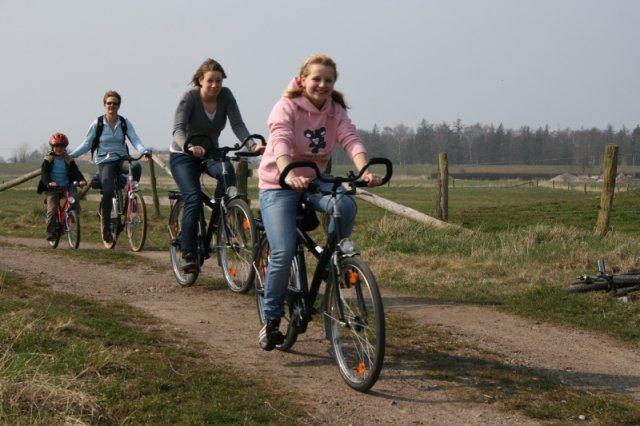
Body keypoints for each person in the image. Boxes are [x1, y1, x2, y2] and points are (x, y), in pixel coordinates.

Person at [257, 53, 385, 351]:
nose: (322, 85)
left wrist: (365, 170)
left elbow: (350, 139)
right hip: (278, 184)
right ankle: (271, 320)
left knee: (346, 204)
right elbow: (281, 141)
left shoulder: (334, 110)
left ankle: (332, 261)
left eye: (329, 80)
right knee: (283, 251)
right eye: (316, 79)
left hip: (315, 179)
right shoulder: (286, 106)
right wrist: (288, 173)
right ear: (303, 80)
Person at [169, 57, 263, 273]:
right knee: (193, 198)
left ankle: (222, 217)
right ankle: (189, 254)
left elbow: (237, 124)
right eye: (210, 81)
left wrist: (252, 145)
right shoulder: (190, 98)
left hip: (211, 152)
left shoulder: (226, 96)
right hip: (183, 154)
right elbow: (178, 129)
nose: (214, 85)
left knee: (227, 172)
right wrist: (188, 147)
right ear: (200, 80)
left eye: (218, 81)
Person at [70, 90, 151, 243]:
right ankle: (106, 228)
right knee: (108, 191)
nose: (112, 106)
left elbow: (135, 139)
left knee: (136, 167)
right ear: (104, 105)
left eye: (115, 103)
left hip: (121, 159)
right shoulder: (98, 124)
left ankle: (131, 199)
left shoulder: (124, 123)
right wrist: (72, 155)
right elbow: (87, 144)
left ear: (119, 106)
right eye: (109, 103)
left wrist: (143, 151)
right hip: (104, 161)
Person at [37, 132, 87, 241]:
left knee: (74, 198)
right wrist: (49, 182)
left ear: (65, 147)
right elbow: (44, 173)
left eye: (62, 146)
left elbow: (75, 171)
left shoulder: (68, 159)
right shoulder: (48, 159)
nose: (59, 149)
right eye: (56, 146)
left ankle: (72, 215)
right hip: (53, 188)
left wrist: (81, 180)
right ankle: (50, 232)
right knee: (52, 211)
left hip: (67, 186)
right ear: (52, 147)